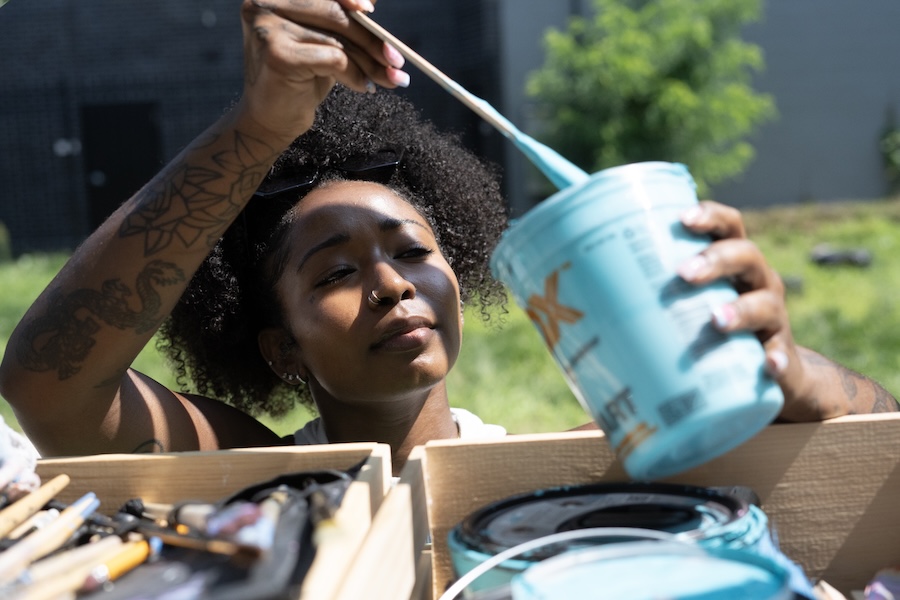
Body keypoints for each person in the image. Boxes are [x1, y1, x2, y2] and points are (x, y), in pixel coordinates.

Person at [0, 0, 894, 476]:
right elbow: (50, 384)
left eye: (414, 251)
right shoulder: (260, 480)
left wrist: (786, 371)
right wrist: (256, 127)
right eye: (336, 272)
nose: (392, 284)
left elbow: (879, 442)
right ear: (278, 350)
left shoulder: (575, 463)